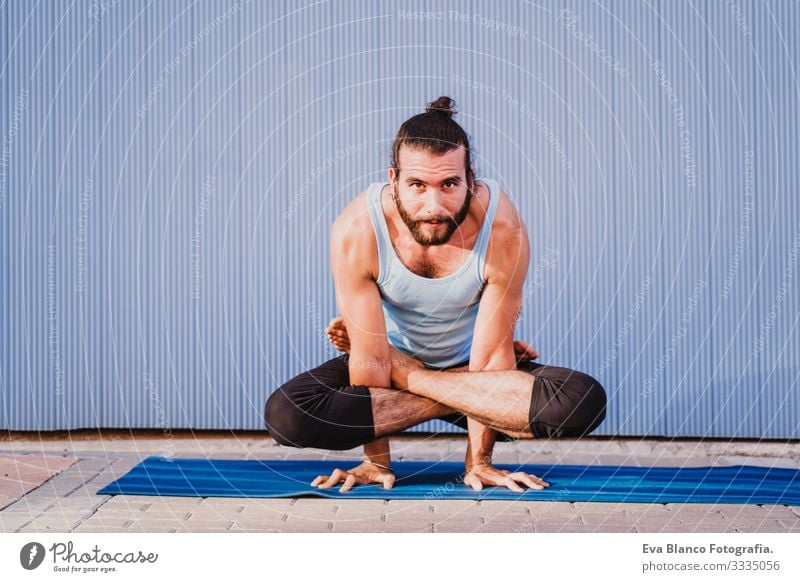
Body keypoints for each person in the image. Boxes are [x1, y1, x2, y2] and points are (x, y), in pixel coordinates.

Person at [265, 96, 606, 493]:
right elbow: (370, 360)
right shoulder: (358, 230)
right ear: (393, 179)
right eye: (417, 185)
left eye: (449, 184)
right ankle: (424, 380)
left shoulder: (501, 229)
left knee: (579, 401)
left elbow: (492, 358)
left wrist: (478, 462)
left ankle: (416, 377)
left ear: (471, 179)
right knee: (288, 415)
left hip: (458, 366)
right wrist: (375, 462)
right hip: (383, 368)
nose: (434, 205)